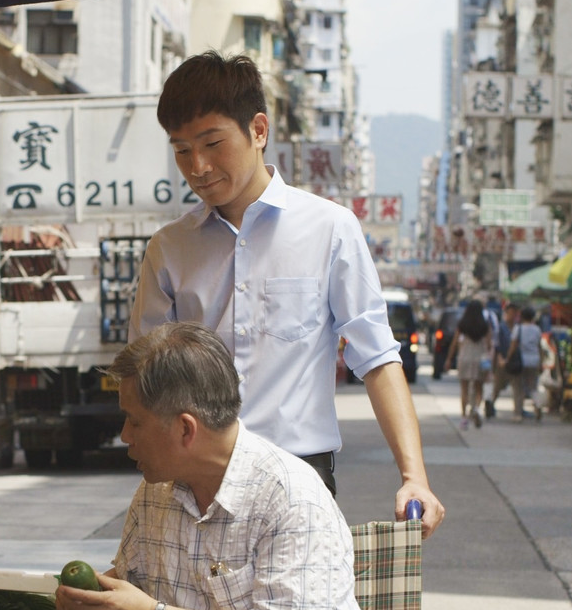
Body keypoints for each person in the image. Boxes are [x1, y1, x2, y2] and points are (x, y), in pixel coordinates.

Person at [130, 50, 443, 537]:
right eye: (181, 150)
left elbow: (378, 358)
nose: (198, 166)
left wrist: (414, 477)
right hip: (193, 483)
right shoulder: (169, 248)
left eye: (212, 143)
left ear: (258, 130)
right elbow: (144, 376)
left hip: (301, 479)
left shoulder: (330, 228)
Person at [56, 321, 389, 610]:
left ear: (185, 428)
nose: (126, 435)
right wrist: (85, 604)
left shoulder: (290, 493)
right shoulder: (154, 495)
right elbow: (130, 583)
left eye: (135, 421)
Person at [445, 301, 492, 430]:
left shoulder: (462, 324)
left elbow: (454, 343)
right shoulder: (485, 325)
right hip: (479, 359)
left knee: (464, 389)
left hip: (464, 358)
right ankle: (476, 408)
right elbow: (489, 345)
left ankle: (464, 418)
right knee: (479, 388)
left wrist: (449, 359)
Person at [502, 306, 542, 422]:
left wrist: (507, 358)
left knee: (518, 388)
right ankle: (537, 404)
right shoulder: (537, 329)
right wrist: (541, 361)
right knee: (533, 386)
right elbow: (539, 347)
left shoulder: (518, 329)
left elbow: (513, 345)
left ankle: (518, 413)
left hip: (520, 361)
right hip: (534, 360)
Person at [481, 296, 509, 419]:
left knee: (473, 382)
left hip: (472, 354)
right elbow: (495, 337)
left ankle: (473, 406)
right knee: (488, 378)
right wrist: (495, 353)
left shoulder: (468, 316)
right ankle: (487, 399)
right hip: (488, 353)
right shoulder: (491, 316)